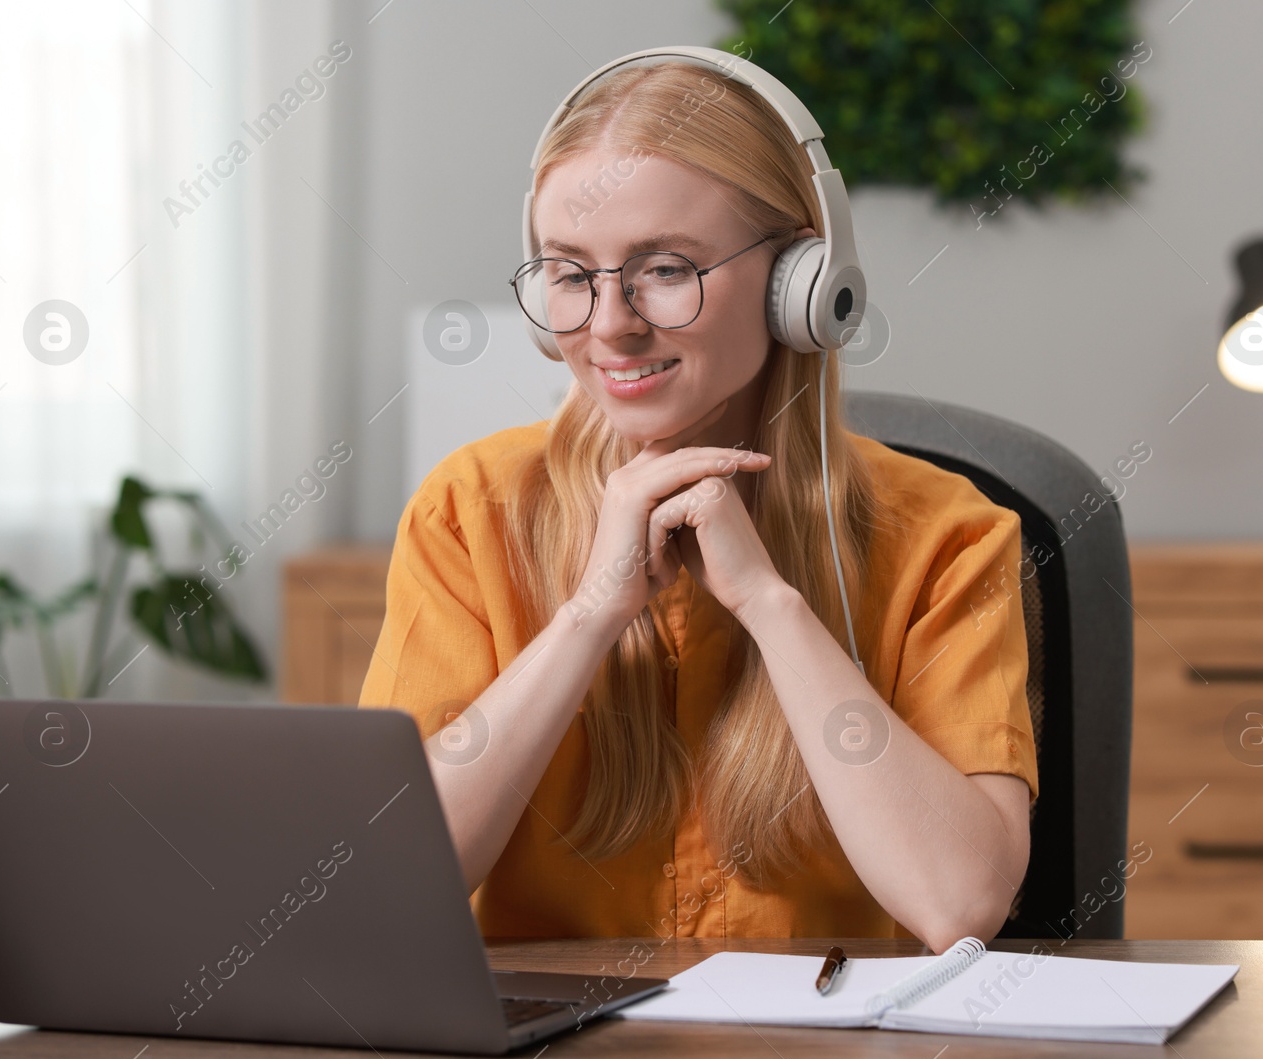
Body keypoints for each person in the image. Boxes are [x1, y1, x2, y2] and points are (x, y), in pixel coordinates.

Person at [359, 58, 1038, 951]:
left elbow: (958, 904)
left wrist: (772, 605)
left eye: (665, 268)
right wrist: (590, 616)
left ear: (802, 280)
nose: (610, 326)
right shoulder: (468, 512)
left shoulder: (949, 536)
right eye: (570, 275)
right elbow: (384, 890)